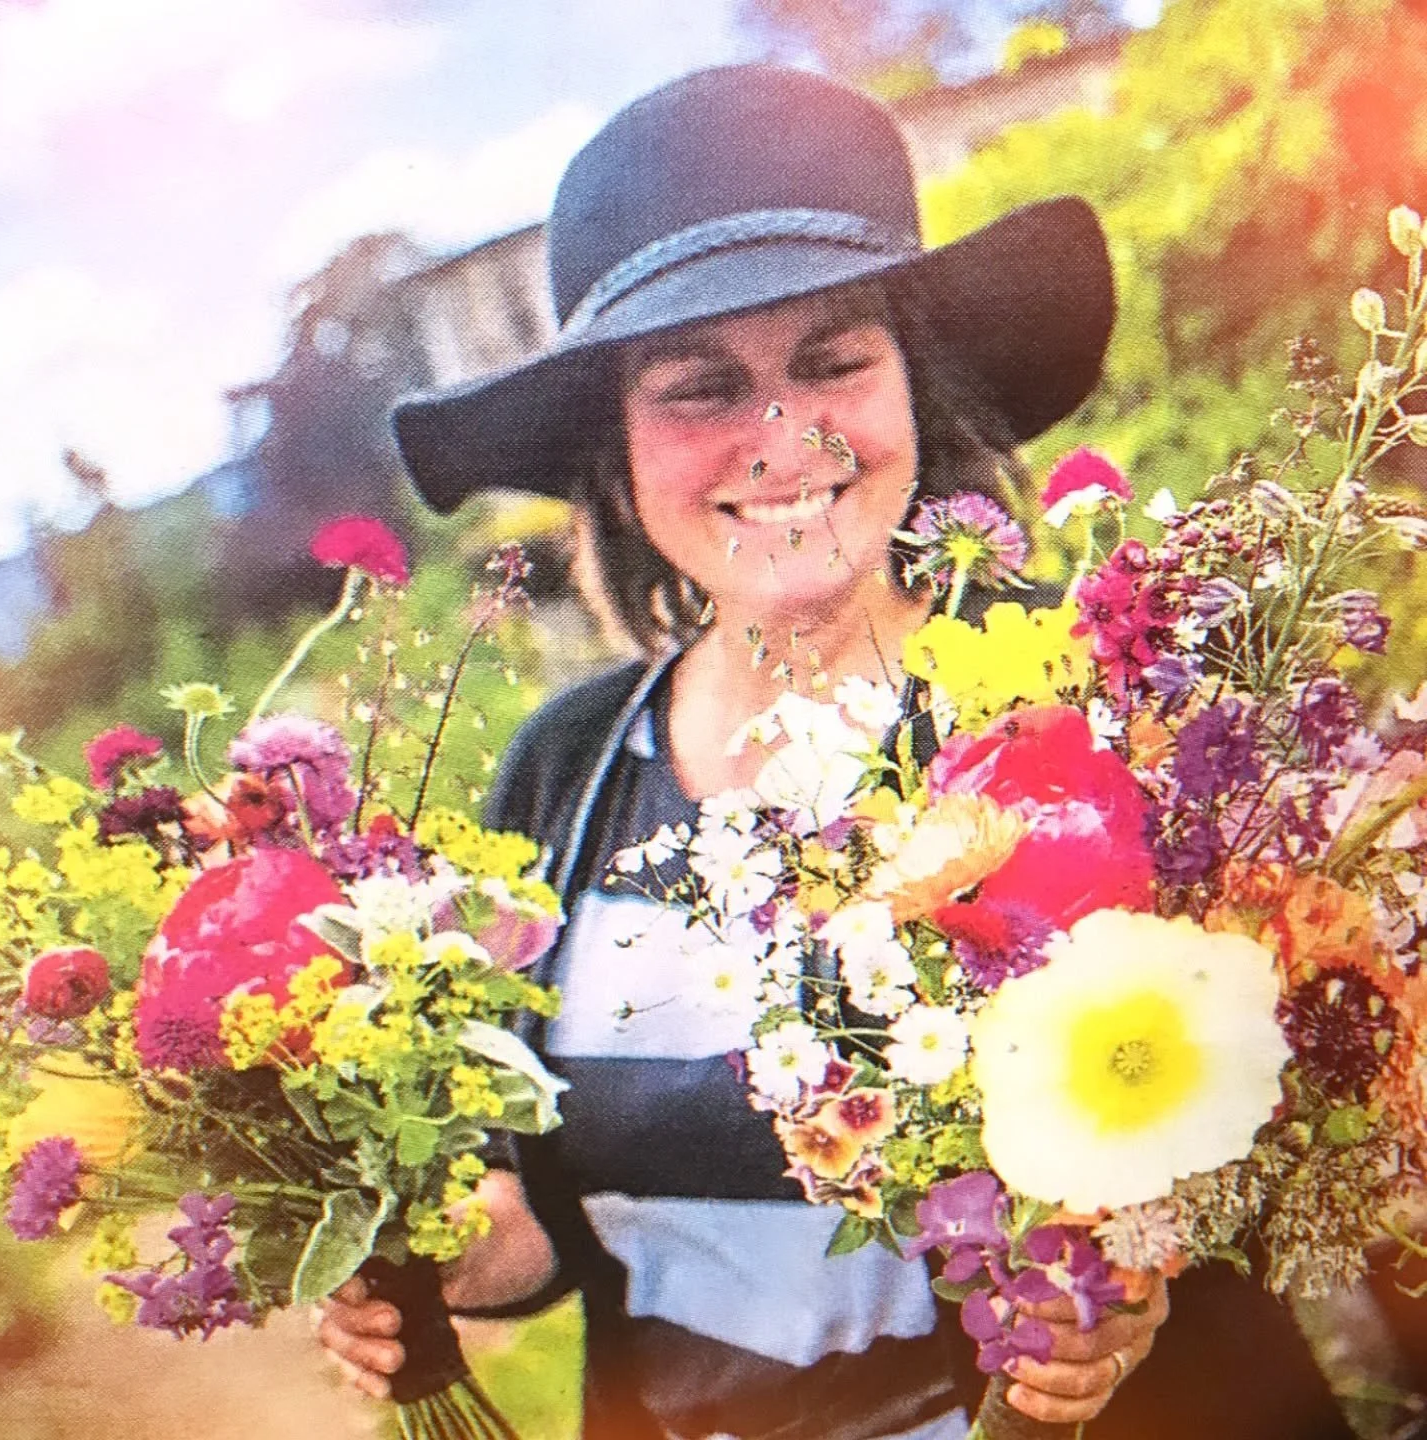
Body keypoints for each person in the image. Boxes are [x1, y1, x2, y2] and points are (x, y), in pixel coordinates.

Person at [316, 65, 1354, 1440]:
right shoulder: (568, 771)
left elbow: (1278, 1099)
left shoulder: (1101, 697)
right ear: (617, 454)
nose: (783, 440)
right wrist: (433, 1258)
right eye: (699, 389)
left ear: (910, 383)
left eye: (832, 360)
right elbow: (551, 1215)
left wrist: (1134, 1277)